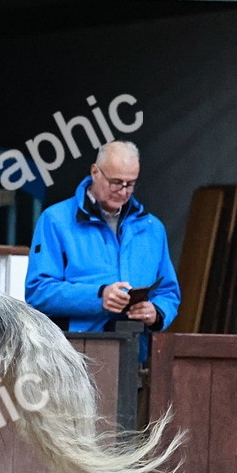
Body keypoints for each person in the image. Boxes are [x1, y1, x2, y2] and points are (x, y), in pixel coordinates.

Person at [25, 140, 180, 363]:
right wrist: (99, 296)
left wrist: (156, 312)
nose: (124, 191)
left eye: (131, 184)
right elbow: (38, 291)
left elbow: (169, 291)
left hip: (136, 355)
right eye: (116, 182)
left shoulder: (152, 228)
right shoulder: (55, 220)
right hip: (74, 357)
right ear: (95, 172)